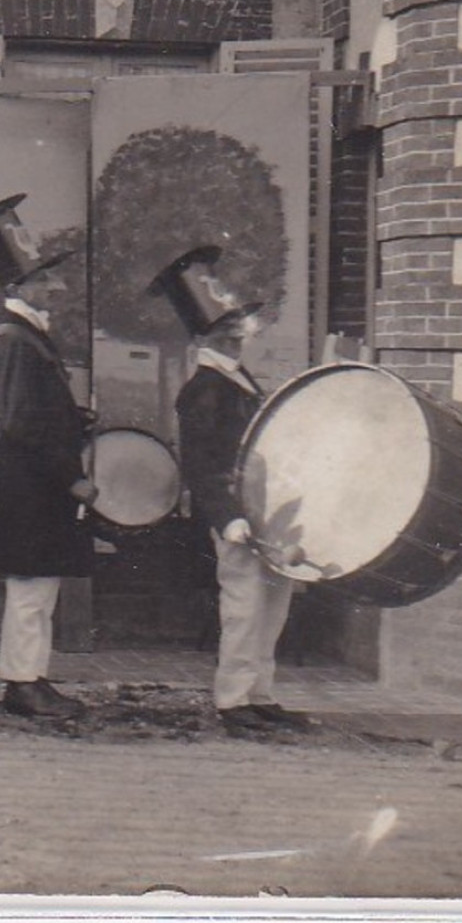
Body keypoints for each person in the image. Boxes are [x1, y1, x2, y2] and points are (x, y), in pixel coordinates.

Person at [153, 245, 311, 735]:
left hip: (266, 513)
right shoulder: (204, 389)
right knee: (244, 606)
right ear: (209, 336)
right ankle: (233, 699)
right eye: (230, 328)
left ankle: (259, 692)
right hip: (241, 519)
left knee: (272, 603)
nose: (242, 334)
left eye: (240, 324)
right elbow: (202, 465)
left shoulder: (236, 378)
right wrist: (228, 518)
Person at [0, 195, 96, 718]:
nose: (52, 289)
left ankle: (32, 676)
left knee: (41, 588)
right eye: (41, 281)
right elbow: (21, 424)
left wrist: (75, 418)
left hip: (37, 486)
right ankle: (20, 682)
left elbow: (37, 411)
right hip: (32, 487)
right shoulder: (13, 340)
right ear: (17, 288)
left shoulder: (27, 336)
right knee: (31, 592)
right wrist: (71, 478)